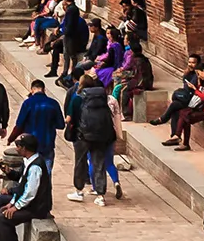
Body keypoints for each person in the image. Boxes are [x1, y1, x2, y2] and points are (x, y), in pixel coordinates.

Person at [0, 132, 50, 241]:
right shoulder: (29, 162)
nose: (17, 149)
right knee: (3, 209)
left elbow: (30, 192)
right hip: (30, 204)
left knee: (4, 218)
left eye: (19, 146)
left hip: (36, 208)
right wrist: (12, 203)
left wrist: (16, 207)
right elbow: (22, 187)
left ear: (25, 148)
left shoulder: (35, 167)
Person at [70, 72, 121, 205]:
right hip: (102, 134)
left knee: (80, 163)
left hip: (83, 135)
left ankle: (78, 191)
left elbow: (71, 118)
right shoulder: (103, 97)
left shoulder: (77, 97)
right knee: (99, 163)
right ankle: (100, 195)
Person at [10, 77, 66, 178]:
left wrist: (11, 138)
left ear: (32, 90)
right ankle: (46, 193)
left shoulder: (28, 103)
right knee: (46, 175)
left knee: (29, 174)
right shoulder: (53, 103)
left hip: (30, 145)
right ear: (44, 89)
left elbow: (19, 124)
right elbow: (61, 125)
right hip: (47, 143)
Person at [172, 61, 204, 151]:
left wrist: (195, 89)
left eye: (199, 73)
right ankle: (180, 138)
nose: (199, 76)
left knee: (185, 116)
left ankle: (180, 138)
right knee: (183, 112)